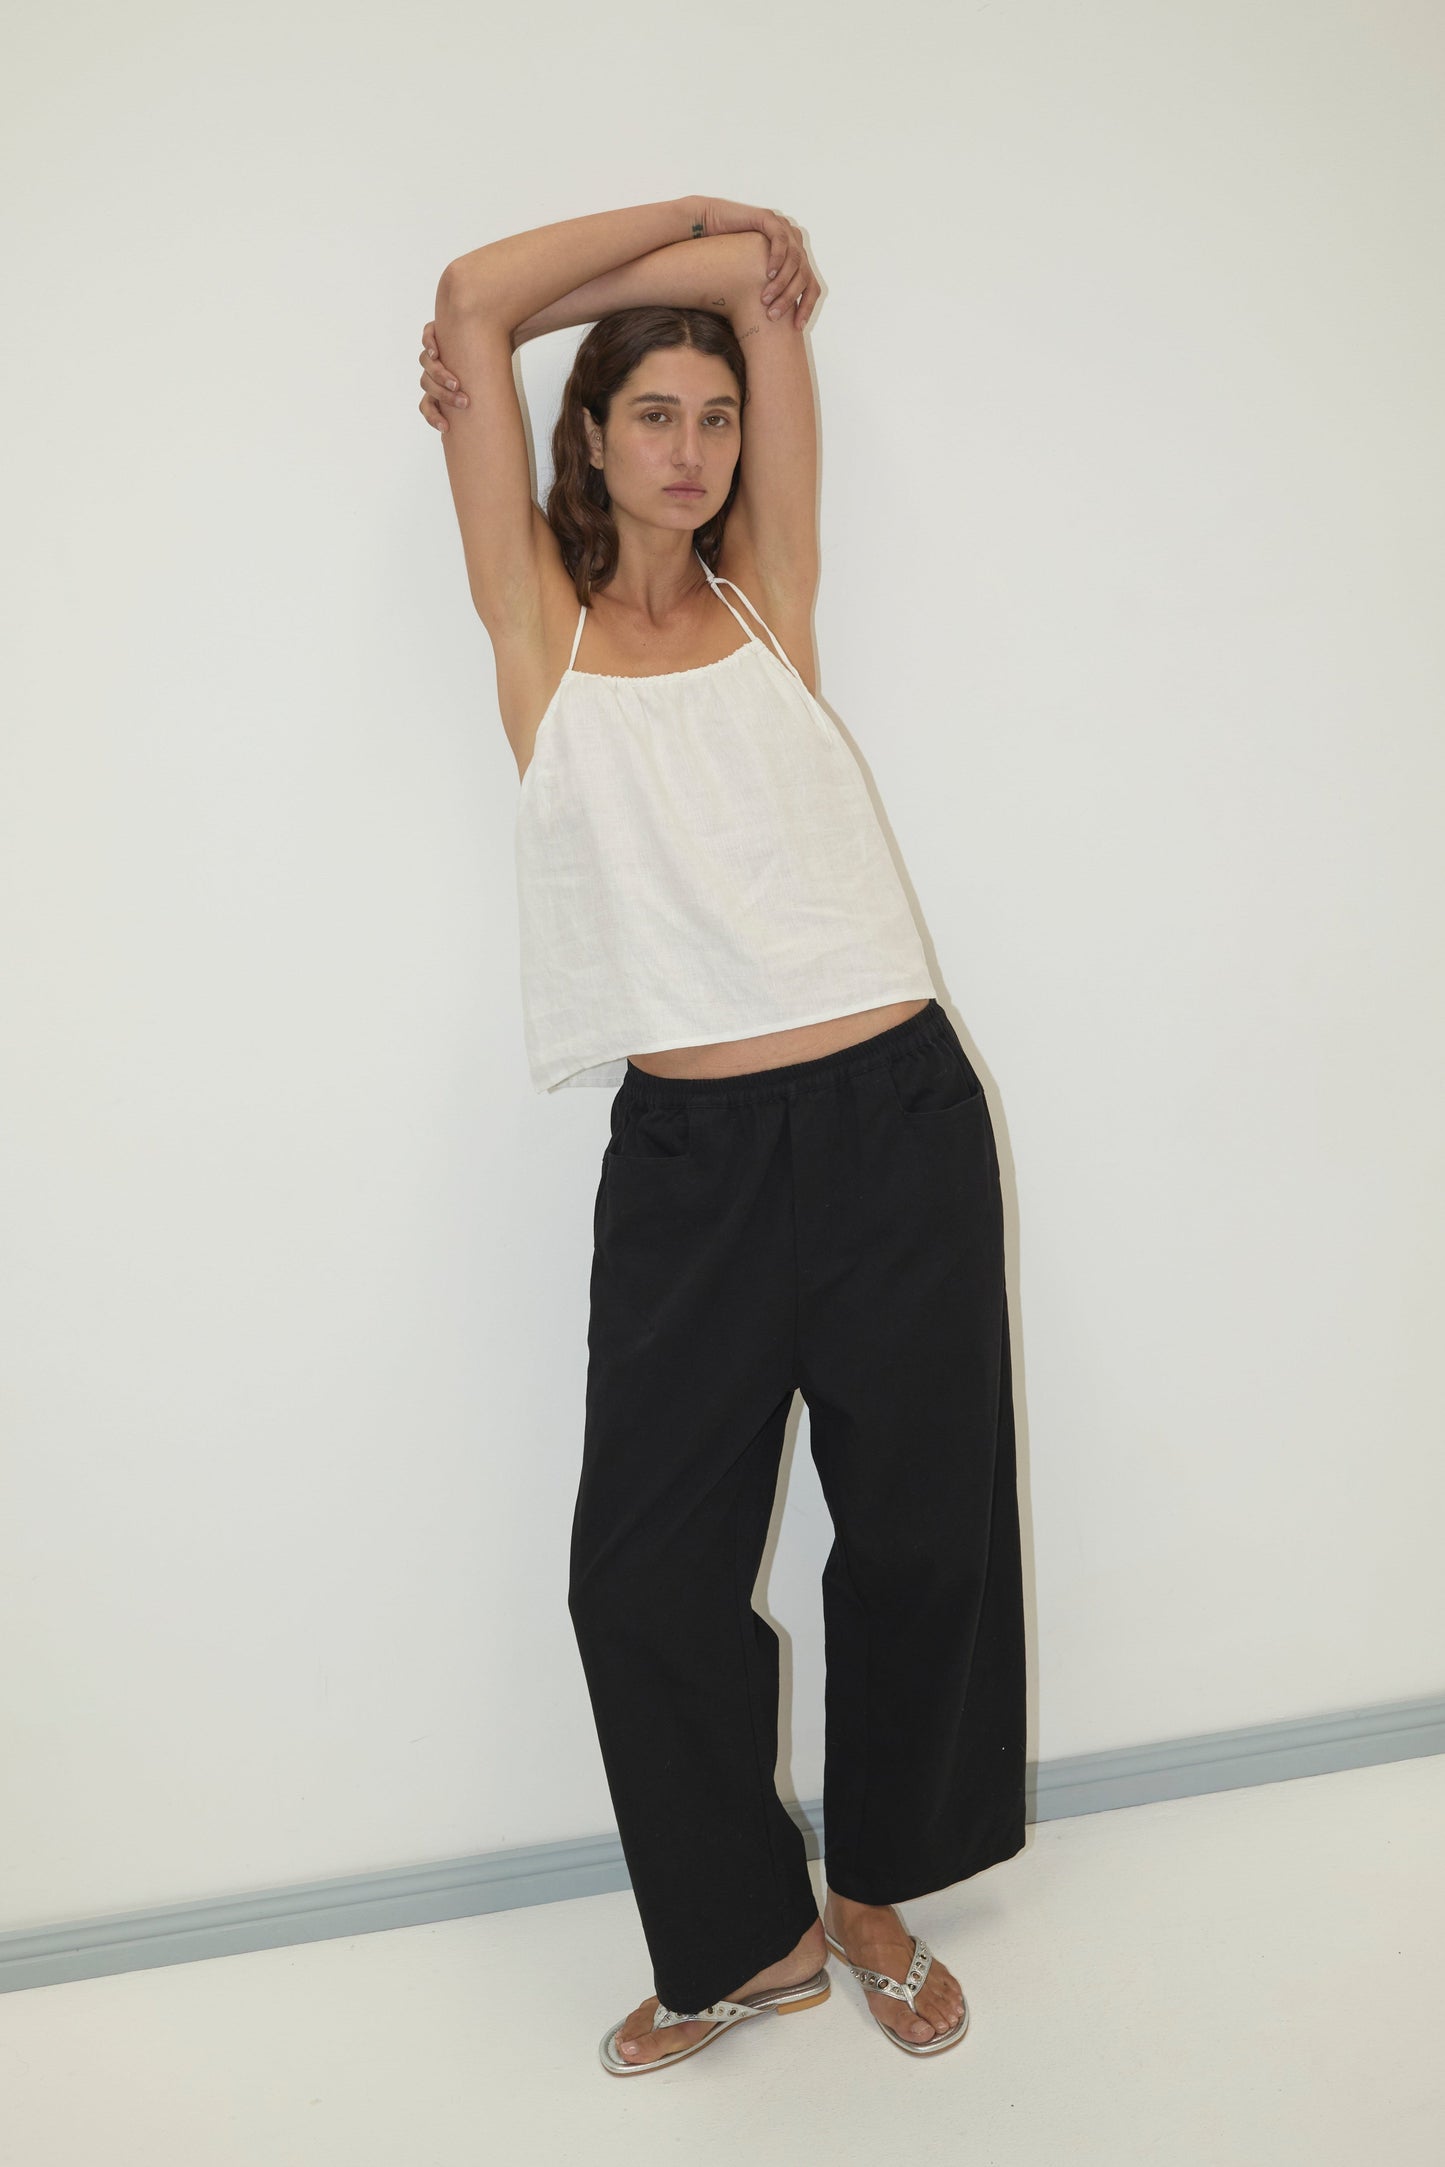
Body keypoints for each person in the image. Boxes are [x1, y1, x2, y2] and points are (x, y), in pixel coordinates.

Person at [420, 193, 1025, 2074]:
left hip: (893, 1118)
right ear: (582, 435)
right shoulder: (538, 619)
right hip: (689, 1163)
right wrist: (686, 231)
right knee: (639, 1578)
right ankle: (747, 1936)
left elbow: (768, 301)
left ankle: (873, 1890)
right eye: (651, 415)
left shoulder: (770, 583)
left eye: (714, 412)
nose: (693, 448)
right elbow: (470, 304)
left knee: (922, 1532)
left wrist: (729, 267)